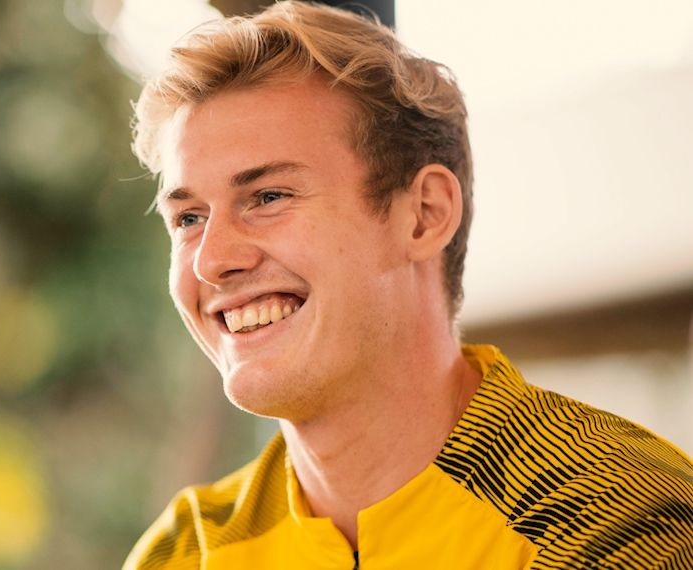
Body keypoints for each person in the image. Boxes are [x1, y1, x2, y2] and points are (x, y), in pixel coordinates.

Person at [121, 2, 693, 569]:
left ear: (424, 215)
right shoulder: (182, 553)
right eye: (188, 218)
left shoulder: (621, 520)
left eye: (268, 197)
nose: (212, 260)